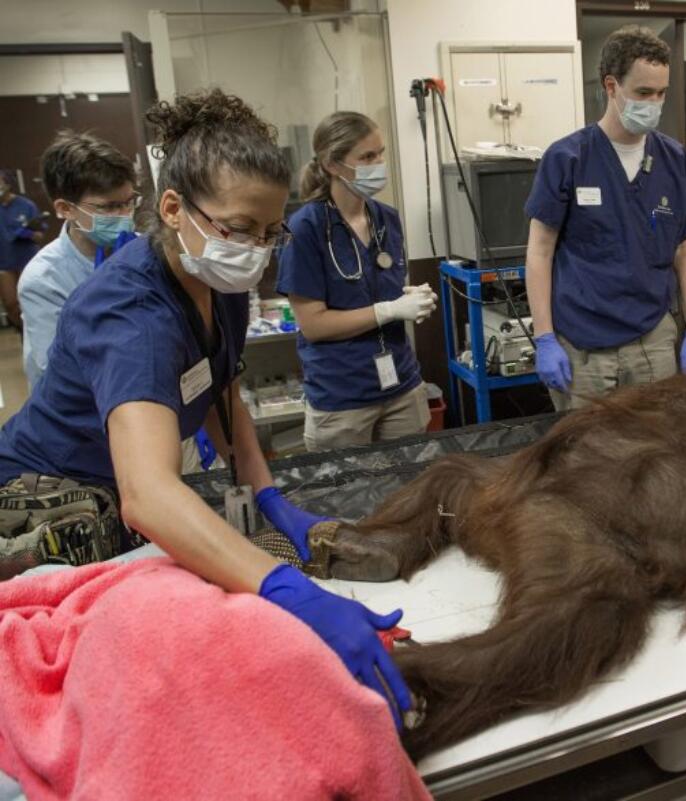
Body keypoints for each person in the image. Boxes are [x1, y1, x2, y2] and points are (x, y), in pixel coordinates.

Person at [0, 90, 411, 727]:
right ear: (173, 208)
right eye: (240, 228)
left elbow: (221, 390)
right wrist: (285, 588)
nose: (255, 249)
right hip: (52, 497)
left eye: (271, 233)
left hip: (114, 490)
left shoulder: (219, 282)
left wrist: (270, 497)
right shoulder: (132, 315)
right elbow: (149, 494)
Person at [524, 25, 686, 411]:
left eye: (661, 93)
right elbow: (540, 252)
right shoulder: (569, 159)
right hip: (583, 345)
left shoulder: (673, 160)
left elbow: (685, 248)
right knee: (588, 459)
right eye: (643, 93)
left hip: (652, 339)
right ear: (611, 86)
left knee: (655, 452)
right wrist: (543, 338)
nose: (654, 103)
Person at [276, 111, 436, 452]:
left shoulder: (386, 219)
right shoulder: (305, 229)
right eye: (367, 157)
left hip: (401, 387)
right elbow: (314, 325)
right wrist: (389, 310)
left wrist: (411, 299)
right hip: (342, 397)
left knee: (411, 494)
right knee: (347, 500)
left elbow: (383, 286)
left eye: (380, 153)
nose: (379, 164)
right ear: (333, 164)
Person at [19, 131, 139, 388]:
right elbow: (57, 369)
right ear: (65, 208)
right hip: (77, 410)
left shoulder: (142, 249)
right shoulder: (44, 280)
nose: (125, 215)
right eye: (109, 207)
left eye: (130, 202)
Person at [0, 172, 46, 331]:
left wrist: (28, 233)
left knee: (35, 301)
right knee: (11, 303)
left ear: (7, 184)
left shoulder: (26, 205)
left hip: (28, 261)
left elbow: (40, 236)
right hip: (4, 263)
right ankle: (23, 332)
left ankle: (39, 332)